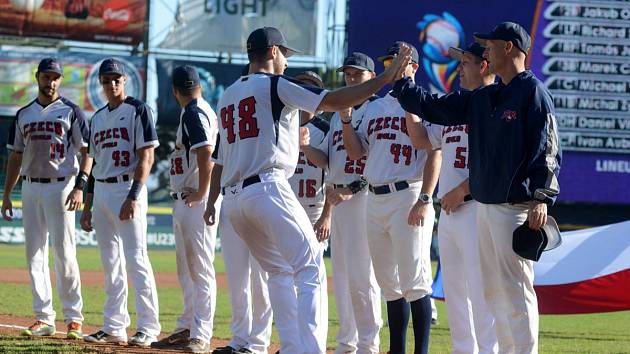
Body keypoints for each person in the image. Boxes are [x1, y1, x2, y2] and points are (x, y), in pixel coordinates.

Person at [204, 26, 410, 354]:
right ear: (272, 52)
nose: (286, 61)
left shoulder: (228, 94)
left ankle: (291, 347)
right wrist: (384, 78)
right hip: (267, 187)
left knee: (279, 271)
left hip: (234, 199)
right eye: (284, 54)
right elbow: (333, 100)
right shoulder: (275, 84)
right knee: (311, 264)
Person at [393, 22, 562, 354]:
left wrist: (542, 196)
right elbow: (434, 107)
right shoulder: (486, 96)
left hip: (514, 209)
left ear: (510, 48)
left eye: (491, 46)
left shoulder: (533, 92)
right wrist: (402, 84)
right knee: (493, 294)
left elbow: (549, 149)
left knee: (515, 291)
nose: (486, 52)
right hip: (485, 208)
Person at [342, 42, 441, 354]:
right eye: (391, 61)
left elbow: (434, 152)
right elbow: (357, 152)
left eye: (402, 62)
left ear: (414, 67)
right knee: (389, 284)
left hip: (408, 193)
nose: (396, 66)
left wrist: (425, 198)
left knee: (415, 281)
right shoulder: (372, 107)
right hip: (375, 198)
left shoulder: (426, 101)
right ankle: (396, 350)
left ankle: (420, 350)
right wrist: (345, 121)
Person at [404, 42, 499, 353]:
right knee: (455, 293)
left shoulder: (495, 105)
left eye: (466, 62)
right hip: (451, 214)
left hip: (478, 209)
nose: (460, 68)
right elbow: (421, 139)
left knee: (482, 293)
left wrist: (463, 189)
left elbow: (500, 162)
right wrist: (409, 102)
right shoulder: (455, 108)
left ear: (484, 66)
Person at [300, 52, 383, 354]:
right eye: (348, 75)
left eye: (357, 75)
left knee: (363, 277)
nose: (350, 80)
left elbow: (369, 158)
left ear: (371, 79)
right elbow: (327, 161)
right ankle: (347, 342)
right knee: (345, 278)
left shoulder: (375, 110)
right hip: (336, 194)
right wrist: (305, 146)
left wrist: (351, 189)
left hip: (360, 196)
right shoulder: (337, 114)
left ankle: (368, 344)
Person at [2, 57, 88, 340]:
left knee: (64, 253)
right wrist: (6, 195)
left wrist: (80, 187)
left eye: (55, 77)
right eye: (45, 76)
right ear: (36, 77)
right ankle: (44, 317)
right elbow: (15, 156)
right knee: (34, 254)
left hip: (61, 186)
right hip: (30, 187)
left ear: (60, 81)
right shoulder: (24, 113)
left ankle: (74, 318)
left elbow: (87, 152)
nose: (50, 82)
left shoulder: (72, 111)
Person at [80, 58, 161, 347]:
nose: (111, 84)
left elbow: (147, 156)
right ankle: (114, 326)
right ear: (100, 84)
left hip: (127, 188)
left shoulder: (138, 110)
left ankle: (149, 327)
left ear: (125, 80)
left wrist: (134, 195)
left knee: (137, 260)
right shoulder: (97, 117)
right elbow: (94, 162)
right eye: (106, 80)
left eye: (116, 79)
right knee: (110, 263)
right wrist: (88, 206)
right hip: (101, 190)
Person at [150, 65, 218, 353]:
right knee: (188, 271)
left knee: (200, 271)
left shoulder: (193, 112)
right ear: (199, 86)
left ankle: (200, 334)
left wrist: (204, 192)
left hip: (195, 200)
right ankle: (187, 326)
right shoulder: (200, 108)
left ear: (174, 90)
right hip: (187, 199)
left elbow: (206, 151)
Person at [209, 66, 273, 354]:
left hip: (255, 194)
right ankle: (239, 339)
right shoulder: (231, 119)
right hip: (231, 197)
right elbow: (218, 163)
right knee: (237, 277)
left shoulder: (264, 112)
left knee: (260, 277)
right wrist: (211, 201)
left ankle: (257, 343)